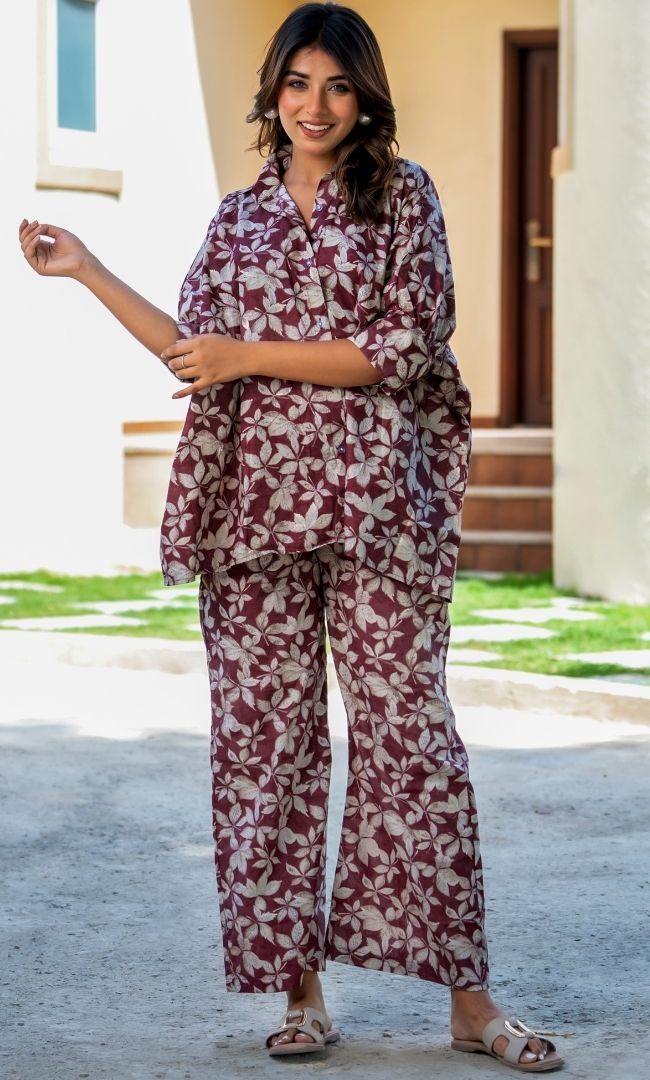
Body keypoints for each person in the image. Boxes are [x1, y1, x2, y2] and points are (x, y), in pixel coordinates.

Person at [18, 1, 564, 1071]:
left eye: (338, 85)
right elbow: (192, 349)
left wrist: (250, 354)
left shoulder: (403, 197)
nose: (316, 105)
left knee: (412, 742)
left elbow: (402, 345)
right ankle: (301, 994)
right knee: (264, 750)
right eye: (298, 83)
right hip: (253, 517)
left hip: (377, 512)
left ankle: (469, 1001)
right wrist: (87, 268)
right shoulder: (238, 220)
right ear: (273, 92)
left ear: (365, 97)